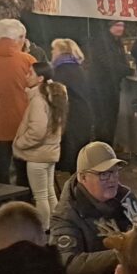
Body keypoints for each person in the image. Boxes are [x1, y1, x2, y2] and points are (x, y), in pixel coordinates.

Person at [50, 141, 137, 274]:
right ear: (83, 177)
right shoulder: (66, 215)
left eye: (114, 172)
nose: (112, 179)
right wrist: (123, 254)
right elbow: (69, 263)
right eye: (103, 174)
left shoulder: (124, 196)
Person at [0, 18, 36, 186]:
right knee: (23, 170)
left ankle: (2, 200)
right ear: (19, 38)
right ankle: (24, 199)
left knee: (0, 169)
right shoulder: (28, 60)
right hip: (23, 123)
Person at [13, 63, 68, 231]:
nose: (26, 76)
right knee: (50, 192)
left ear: (40, 78)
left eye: (30, 73)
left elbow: (37, 130)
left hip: (37, 155)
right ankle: (58, 225)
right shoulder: (55, 96)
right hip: (51, 152)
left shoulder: (38, 100)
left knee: (40, 196)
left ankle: (44, 229)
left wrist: (20, 143)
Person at [51, 38, 95, 182]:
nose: (52, 52)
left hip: (70, 116)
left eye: (54, 49)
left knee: (71, 153)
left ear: (61, 51)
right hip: (83, 114)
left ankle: (75, 186)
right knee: (80, 153)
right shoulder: (78, 68)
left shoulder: (61, 71)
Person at [87, 20, 131, 145]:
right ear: (110, 26)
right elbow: (109, 63)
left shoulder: (117, 42)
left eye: (122, 25)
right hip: (101, 87)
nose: (121, 28)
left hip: (110, 86)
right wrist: (128, 70)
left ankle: (107, 146)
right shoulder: (102, 42)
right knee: (104, 119)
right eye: (117, 25)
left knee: (110, 119)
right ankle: (103, 147)